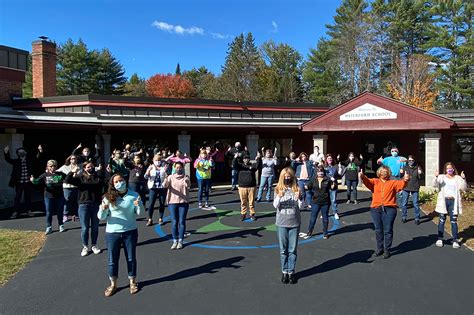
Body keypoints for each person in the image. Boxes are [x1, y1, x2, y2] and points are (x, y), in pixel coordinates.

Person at [98, 174, 144, 297]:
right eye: (116, 181)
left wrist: (137, 205)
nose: (119, 183)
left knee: (131, 258)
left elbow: (140, 213)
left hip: (130, 231)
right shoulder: (108, 197)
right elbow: (101, 217)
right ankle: (113, 284)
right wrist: (102, 209)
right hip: (113, 233)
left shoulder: (134, 195)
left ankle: (132, 282)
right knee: (112, 260)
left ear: (125, 181)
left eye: (121, 180)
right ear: (113, 184)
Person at [360, 166, 409, 259]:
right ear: (379, 172)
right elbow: (367, 182)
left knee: (388, 230)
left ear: (389, 173)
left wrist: (405, 180)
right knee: (378, 230)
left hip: (389, 209)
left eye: (386, 171)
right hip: (376, 209)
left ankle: (387, 250)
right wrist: (362, 176)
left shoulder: (393, 182)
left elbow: (401, 184)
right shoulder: (375, 181)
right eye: (382, 171)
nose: (384, 173)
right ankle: (379, 249)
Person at [66, 162, 104, 257]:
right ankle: (85, 246)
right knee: (85, 228)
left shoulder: (98, 178)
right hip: (83, 205)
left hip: (95, 204)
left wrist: (103, 196)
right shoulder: (80, 178)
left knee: (95, 227)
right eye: (88, 167)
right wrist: (72, 172)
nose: (90, 168)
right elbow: (67, 180)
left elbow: (105, 185)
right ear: (84, 168)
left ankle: (94, 245)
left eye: (91, 166)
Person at [273, 167, 302, 285]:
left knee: (292, 250)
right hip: (281, 223)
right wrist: (279, 196)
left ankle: (291, 272)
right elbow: (275, 205)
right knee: (283, 250)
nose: (287, 178)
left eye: (289, 177)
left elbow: (302, 206)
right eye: (285, 177)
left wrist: (299, 197)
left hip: (294, 222)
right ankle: (284, 271)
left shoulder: (297, 188)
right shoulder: (278, 189)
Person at [433, 162, 468, 249]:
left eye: (451, 168)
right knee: (442, 220)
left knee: (454, 221)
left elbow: (464, 188)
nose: (450, 170)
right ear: (445, 169)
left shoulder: (457, 178)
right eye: (448, 168)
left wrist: (463, 179)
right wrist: (436, 177)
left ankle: (455, 240)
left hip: (453, 201)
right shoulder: (442, 177)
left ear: (453, 169)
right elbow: (435, 184)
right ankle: (440, 238)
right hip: (444, 201)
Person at [3, 144, 43, 218]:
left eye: (22, 151)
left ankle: (29, 211)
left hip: (27, 183)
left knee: (28, 197)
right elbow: (8, 159)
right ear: (18, 154)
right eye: (19, 152)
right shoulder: (16, 161)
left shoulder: (29, 160)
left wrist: (40, 151)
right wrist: (6, 152)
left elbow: (37, 157)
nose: (21, 153)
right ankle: (15, 211)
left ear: (25, 152)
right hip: (19, 183)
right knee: (17, 198)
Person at [31, 160, 67, 235]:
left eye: (54, 166)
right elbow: (37, 181)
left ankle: (61, 225)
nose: (53, 167)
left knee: (60, 211)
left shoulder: (60, 174)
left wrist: (73, 174)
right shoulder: (45, 175)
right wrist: (33, 180)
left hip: (59, 196)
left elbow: (68, 178)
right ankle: (49, 227)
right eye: (51, 166)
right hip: (48, 196)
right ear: (47, 167)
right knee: (48, 212)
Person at [163, 162, 191, 250]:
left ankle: (181, 240)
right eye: (177, 167)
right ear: (174, 168)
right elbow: (165, 186)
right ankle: (175, 240)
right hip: (172, 202)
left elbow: (188, 185)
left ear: (182, 168)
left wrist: (187, 181)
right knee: (174, 222)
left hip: (183, 202)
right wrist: (165, 179)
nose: (179, 169)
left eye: (180, 167)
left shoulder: (186, 177)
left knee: (182, 221)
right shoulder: (170, 177)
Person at [301, 166, 333, 240]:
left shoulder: (327, 179)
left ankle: (325, 233)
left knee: (325, 218)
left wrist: (334, 183)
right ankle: (309, 232)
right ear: (316, 172)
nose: (320, 173)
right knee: (313, 217)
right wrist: (305, 186)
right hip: (315, 201)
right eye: (318, 171)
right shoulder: (313, 179)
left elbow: (333, 187)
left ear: (323, 172)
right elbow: (308, 186)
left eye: (321, 171)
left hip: (325, 202)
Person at [233, 153, 262, 221]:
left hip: (252, 186)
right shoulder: (240, 166)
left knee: (251, 202)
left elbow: (258, 166)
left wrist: (259, 158)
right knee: (243, 202)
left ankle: (252, 214)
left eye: (247, 158)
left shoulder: (253, 165)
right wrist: (235, 158)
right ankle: (243, 214)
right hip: (242, 186)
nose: (246, 159)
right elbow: (234, 164)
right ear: (243, 159)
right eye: (245, 158)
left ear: (249, 159)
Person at [144, 154, 168, 226]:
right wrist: (148, 171)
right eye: (156, 160)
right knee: (151, 204)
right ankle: (150, 219)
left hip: (162, 187)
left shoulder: (164, 167)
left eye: (159, 160)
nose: (157, 161)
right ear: (153, 160)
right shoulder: (150, 167)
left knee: (162, 203)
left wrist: (165, 181)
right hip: (153, 187)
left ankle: (161, 218)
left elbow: (167, 176)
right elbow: (145, 177)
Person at [399, 155, 423, 225]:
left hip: (415, 188)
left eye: (412, 160)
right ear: (408, 161)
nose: (411, 162)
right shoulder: (405, 167)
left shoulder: (418, 167)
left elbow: (421, 178)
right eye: (409, 160)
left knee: (415, 204)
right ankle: (404, 217)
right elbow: (401, 177)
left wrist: (420, 173)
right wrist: (400, 173)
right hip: (406, 187)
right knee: (404, 203)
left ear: (414, 161)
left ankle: (417, 218)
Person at [57, 155, 80, 223]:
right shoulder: (65, 167)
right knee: (67, 201)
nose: (74, 160)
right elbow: (57, 171)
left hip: (76, 187)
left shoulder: (79, 167)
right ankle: (65, 215)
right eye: (72, 159)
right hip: (67, 187)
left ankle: (75, 215)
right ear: (69, 160)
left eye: (75, 158)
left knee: (76, 201)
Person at [324, 154, 343, 220]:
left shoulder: (335, 166)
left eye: (330, 158)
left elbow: (339, 174)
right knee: (326, 200)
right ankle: (325, 213)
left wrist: (340, 169)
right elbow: (322, 175)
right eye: (328, 158)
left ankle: (335, 212)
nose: (329, 159)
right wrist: (329, 177)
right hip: (326, 185)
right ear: (326, 160)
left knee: (333, 200)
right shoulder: (324, 167)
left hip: (334, 185)